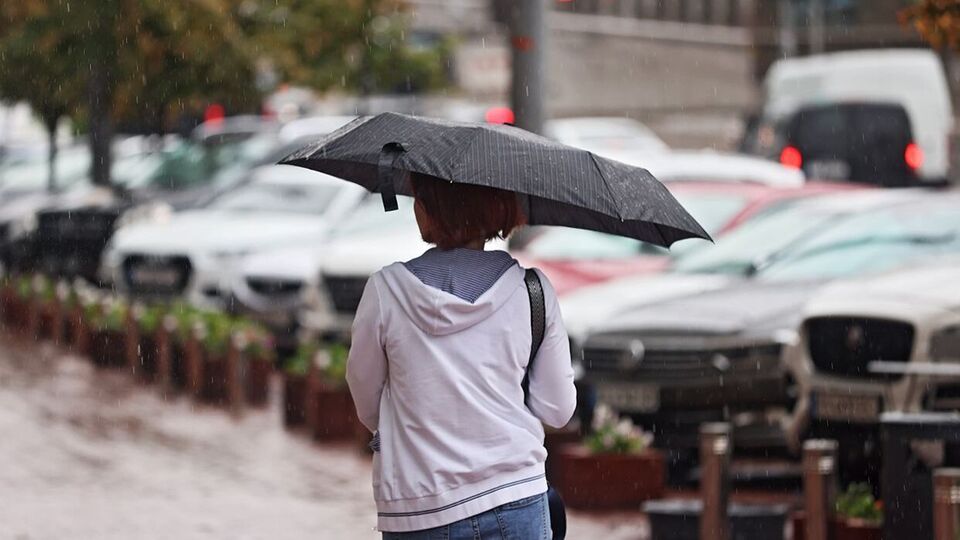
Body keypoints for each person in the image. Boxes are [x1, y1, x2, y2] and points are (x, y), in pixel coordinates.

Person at [346, 172, 578, 539]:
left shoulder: (385, 291)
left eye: (419, 197)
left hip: (418, 508)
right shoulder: (533, 290)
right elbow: (557, 409)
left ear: (428, 210)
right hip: (516, 497)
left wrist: (410, 426)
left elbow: (365, 397)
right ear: (497, 208)